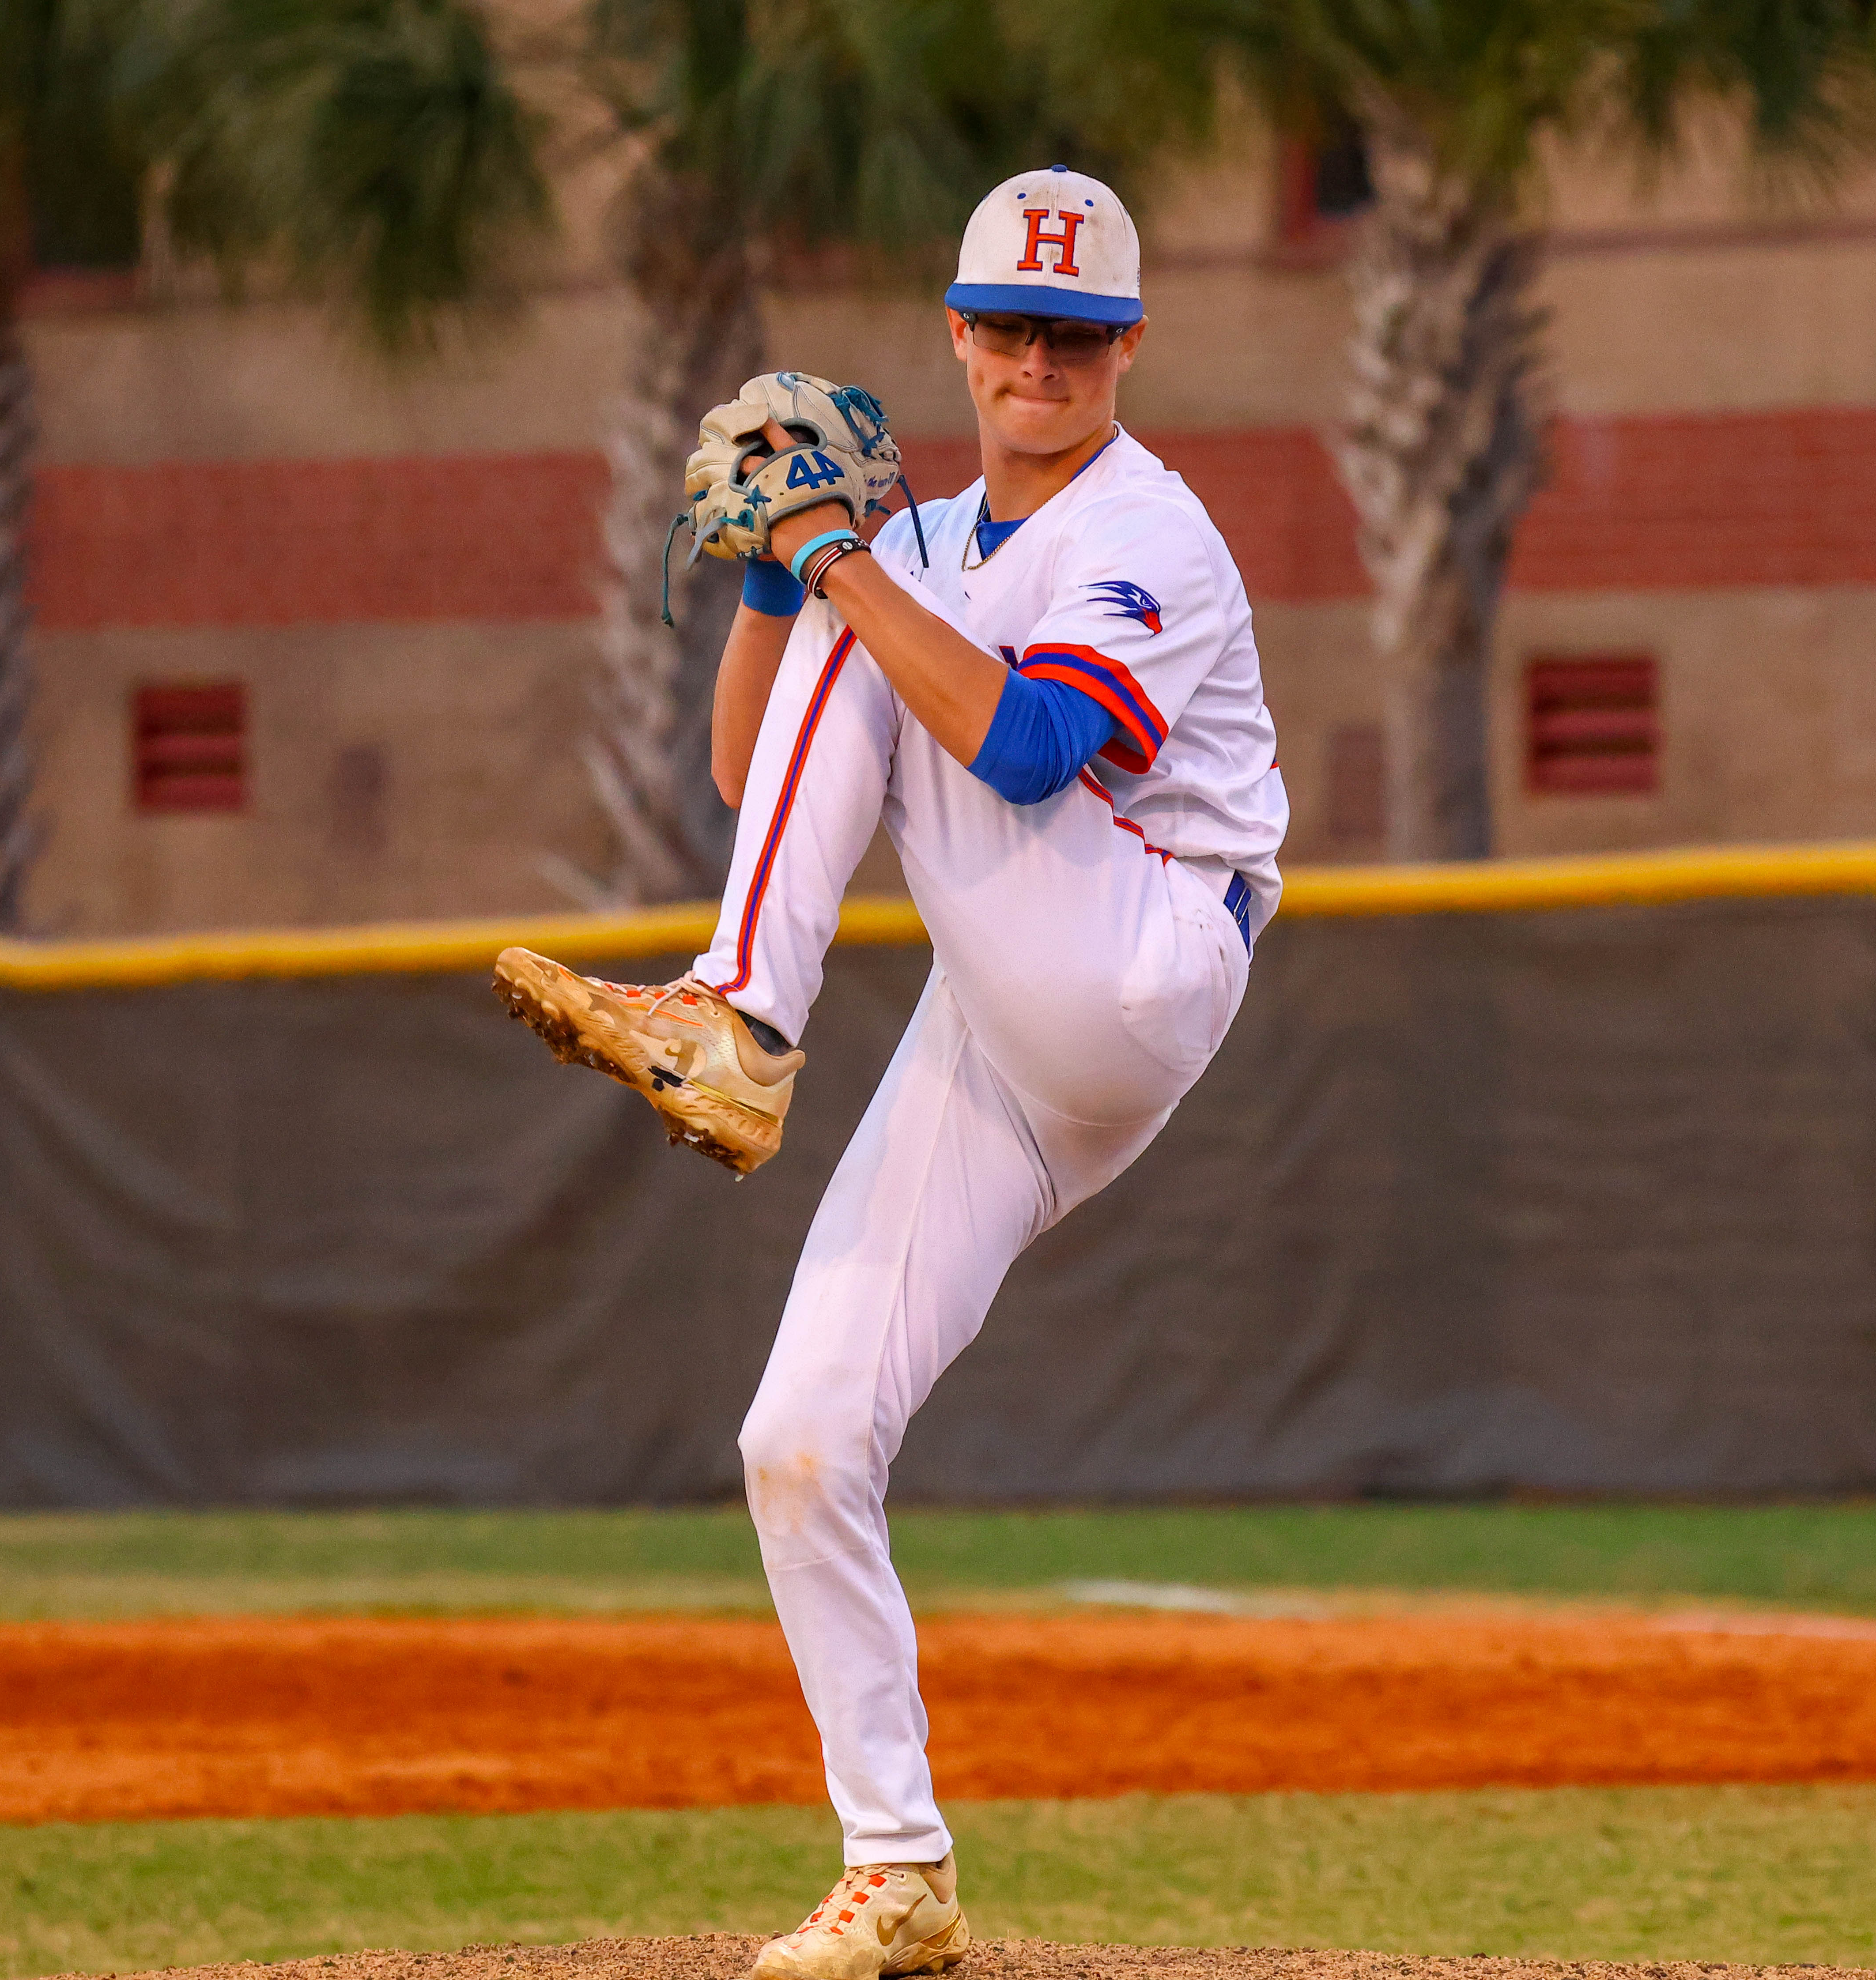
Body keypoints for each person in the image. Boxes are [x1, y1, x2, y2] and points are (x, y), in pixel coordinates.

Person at [493, 166, 1286, 1979]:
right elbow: (738, 767)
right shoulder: (911, 547)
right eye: (1009, 324)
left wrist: (838, 559)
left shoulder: (1148, 531)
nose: (1037, 358)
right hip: (999, 1019)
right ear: (957, 331)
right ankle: (898, 1863)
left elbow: (1018, 749)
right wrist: (778, 577)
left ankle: (739, 1024)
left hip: (1138, 953)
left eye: (1074, 334)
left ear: (1126, 349)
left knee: (891, 630)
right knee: (795, 1443)